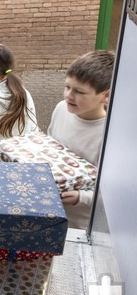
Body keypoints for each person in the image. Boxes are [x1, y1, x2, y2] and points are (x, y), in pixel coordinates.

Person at [47, 50, 115, 230]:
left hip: (80, 225)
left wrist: (80, 197)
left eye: (79, 92)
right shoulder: (61, 109)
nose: (68, 95)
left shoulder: (110, 136)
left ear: (106, 95)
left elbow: (113, 194)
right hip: (50, 211)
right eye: (67, 87)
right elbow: (49, 148)